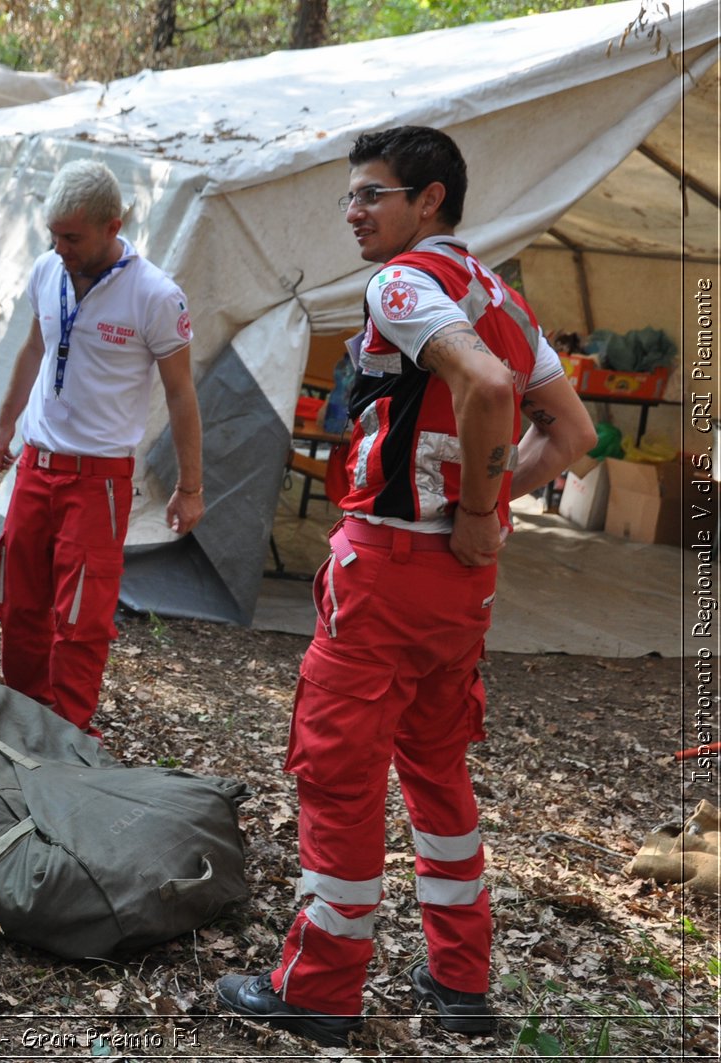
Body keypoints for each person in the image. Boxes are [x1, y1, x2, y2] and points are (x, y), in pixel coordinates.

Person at [216, 126, 596, 1046]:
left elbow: (490, 387)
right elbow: (574, 434)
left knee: (340, 772)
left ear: (428, 201)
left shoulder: (402, 282)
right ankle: (461, 982)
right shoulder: (501, 292)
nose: (353, 213)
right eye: (350, 196)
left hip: (389, 567)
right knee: (435, 769)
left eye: (370, 194)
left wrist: (473, 505)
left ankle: (320, 987)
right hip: (461, 592)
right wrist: (493, 509)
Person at [0, 159, 204, 738]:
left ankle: (67, 732)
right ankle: (21, 714)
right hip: (37, 465)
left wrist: (190, 486)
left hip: (98, 479)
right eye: (53, 235)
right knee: (20, 601)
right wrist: (5, 425)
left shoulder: (156, 296)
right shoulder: (46, 271)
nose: (60, 248)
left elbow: (182, 395)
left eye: (73, 237)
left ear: (114, 225)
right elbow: (33, 349)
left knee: (79, 615)